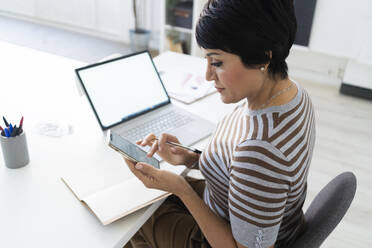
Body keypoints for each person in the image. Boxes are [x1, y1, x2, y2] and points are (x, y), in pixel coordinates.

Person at [124, 0, 316, 247]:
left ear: (262, 56)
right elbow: (242, 171)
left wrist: (181, 188)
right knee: (143, 201)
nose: (207, 75)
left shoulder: (259, 151)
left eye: (217, 62)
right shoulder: (292, 94)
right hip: (228, 207)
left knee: (135, 219)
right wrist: (188, 157)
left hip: (219, 237)